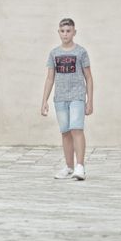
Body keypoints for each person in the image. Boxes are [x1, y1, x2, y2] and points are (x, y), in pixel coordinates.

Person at [41, 18, 94, 180]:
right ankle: (69, 167)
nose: (65, 34)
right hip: (60, 99)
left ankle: (80, 166)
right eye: (62, 31)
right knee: (65, 132)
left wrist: (89, 100)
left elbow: (89, 78)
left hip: (77, 96)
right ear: (58, 32)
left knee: (76, 129)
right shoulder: (54, 53)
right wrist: (44, 100)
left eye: (68, 31)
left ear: (74, 32)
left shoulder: (81, 52)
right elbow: (50, 78)